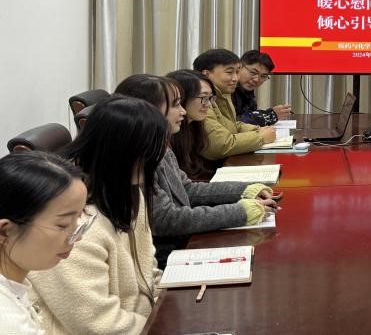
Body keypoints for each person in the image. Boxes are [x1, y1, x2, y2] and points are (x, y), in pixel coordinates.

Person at [30, 96, 166, 335]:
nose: (157, 158)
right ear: (123, 152)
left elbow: (147, 268)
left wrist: (168, 303)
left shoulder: (129, 193)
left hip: (144, 320)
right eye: (150, 150)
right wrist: (163, 325)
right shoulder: (77, 228)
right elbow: (97, 323)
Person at [117, 74, 278, 267]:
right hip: (164, 255)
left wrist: (245, 190)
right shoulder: (136, 157)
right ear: (146, 109)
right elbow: (166, 219)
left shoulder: (159, 145)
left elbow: (187, 189)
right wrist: (240, 212)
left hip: (180, 242)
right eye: (176, 105)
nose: (183, 111)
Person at [0, 152, 88, 335]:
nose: (76, 237)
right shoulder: (10, 324)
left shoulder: (12, 288)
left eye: (79, 218)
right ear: (5, 231)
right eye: (63, 224)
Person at [192, 49, 276, 160]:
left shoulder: (222, 94)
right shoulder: (199, 99)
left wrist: (258, 130)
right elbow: (220, 145)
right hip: (204, 168)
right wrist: (260, 137)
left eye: (237, 72)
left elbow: (232, 125)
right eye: (229, 72)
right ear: (206, 74)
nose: (236, 78)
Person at [232, 50, 292, 125]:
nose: (256, 79)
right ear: (239, 67)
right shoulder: (227, 89)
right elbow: (232, 123)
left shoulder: (247, 92)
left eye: (263, 76)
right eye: (253, 72)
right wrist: (269, 115)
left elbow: (249, 117)